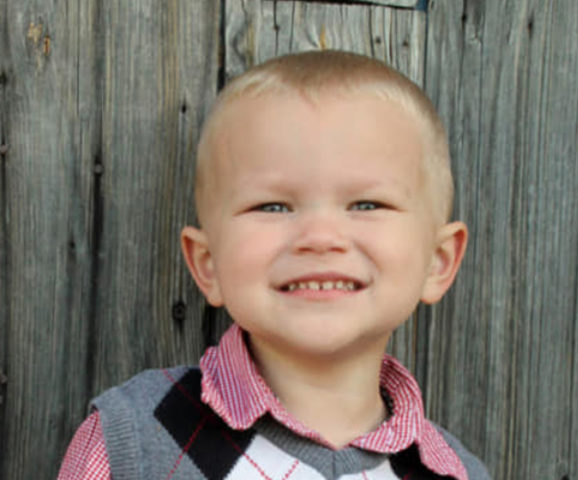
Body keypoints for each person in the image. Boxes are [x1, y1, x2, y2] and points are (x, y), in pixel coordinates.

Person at [58, 50, 491, 480]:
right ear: (208, 265)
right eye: (273, 206)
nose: (320, 237)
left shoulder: (456, 474)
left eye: (366, 204)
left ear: (438, 261)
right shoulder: (130, 443)